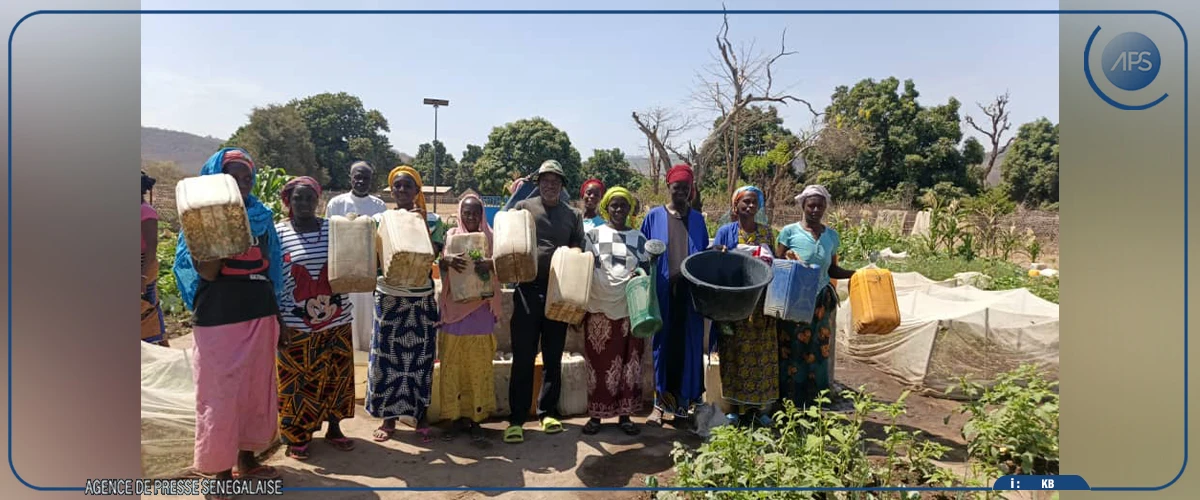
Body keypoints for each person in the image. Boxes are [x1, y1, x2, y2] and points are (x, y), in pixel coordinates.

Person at [173, 148, 284, 490]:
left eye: (248, 177)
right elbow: (206, 274)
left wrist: (281, 320)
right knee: (219, 396)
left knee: (255, 392)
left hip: (260, 315)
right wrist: (220, 226)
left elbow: (273, 272)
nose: (243, 183)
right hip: (220, 320)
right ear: (216, 182)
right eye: (234, 177)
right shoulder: (200, 217)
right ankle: (219, 473)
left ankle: (247, 460)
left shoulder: (263, 217)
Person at [504, 159, 586, 444]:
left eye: (556, 182)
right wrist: (520, 190)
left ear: (562, 186)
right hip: (527, 290)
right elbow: (504, 226)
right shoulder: (524, 208)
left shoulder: (572, 215)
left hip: (559, 295)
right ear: (537, 184)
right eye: (545, 181)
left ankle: (547, 412)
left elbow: (579, 247)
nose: (550, 186)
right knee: (523, 357)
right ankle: (516, 418)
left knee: (553, 357)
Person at [274, 176, 356, 460]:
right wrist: (279, 322)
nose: (304, 203)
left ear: (318, 200)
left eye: (310, 198)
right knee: (297, 382)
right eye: (298, 198)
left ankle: (334, 429)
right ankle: (298, 435)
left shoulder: (334, 229)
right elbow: (273, 281)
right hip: (296, 324)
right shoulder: (278, 233)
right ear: (288, 201)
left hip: (337, 319)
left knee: (336, 377)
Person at [366, 166, 446, 444]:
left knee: (420, 360)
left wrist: (416, 224)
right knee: (387, 358)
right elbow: (374, 258)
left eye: (407, 186)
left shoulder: (433, 221)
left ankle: (419, 416)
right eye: (397, 186)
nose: (401, 191)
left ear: (417, 191)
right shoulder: (379, 220)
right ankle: (389, 420)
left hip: (421, 298)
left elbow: (433, 256)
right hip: (388, 296)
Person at [639, 164, 709, 429]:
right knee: (662, 346)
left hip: (689, 296)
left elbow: (702, 255)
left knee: (688, 348)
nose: (681, 192)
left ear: (691, 190)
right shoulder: (654, 216)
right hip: (662, 293)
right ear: (669, 187)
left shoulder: (698, 219)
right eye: (676, 187)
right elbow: (643, 253)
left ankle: (682, 405)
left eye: (686, 188)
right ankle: (659, 406)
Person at [775, 185, 856, 407]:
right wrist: (791, 261)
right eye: (811, 205)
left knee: (819, 349)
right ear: (803, 206)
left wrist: (857, 274)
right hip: (794, 300)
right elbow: (778, 264)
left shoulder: (831, 236)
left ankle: (815, 400)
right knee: (792, 347)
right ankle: (789, 400)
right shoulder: (789, 232)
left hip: (822, 300)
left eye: (820, 206)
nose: (815, 210)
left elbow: (832, 270)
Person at [581, 186, 648, 436]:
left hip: (630, 310)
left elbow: (645, 273)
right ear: (606, 208)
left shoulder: (639, 238)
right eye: (614, 205)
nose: (619, 210)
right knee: (598, 366)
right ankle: (596, 417)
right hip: (598, 307)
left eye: (623, 205)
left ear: (630, 209)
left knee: (629, 365)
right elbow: (586, 269)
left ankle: (625, 416)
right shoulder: (594, 236)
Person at [436, 194, 501, 447]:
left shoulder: (492, 238)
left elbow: (506, 267)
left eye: (475, 213)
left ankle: (476, 419)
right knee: (453, 366)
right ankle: (453, 418)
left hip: (481, 312)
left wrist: (492, 264)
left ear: (482, 214)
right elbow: (441, 266)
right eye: (466, 213)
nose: (471, 218)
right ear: (460, 214)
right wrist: (446, 260)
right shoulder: (451, 236)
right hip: (454, 312)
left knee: (478, 367)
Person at [710, 186, 778, 427]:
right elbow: (715, 267)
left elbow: (776, 266)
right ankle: (735, 409)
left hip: (761, 308)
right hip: (735, 308)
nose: (750, 206)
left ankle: (759, 410)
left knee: (762, 357)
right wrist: (720, 253)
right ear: (735, 206)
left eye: (754, 202)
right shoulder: (726, 232)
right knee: (734, 357)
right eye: (745, 202)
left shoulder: (768, 233)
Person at [324, 161, 389, 353]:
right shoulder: (336, 204)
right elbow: (329, 238)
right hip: (342, 273)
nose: (361, 181)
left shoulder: (379, 206)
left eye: (365, 178)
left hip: (368, 274)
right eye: (357, 177)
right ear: (350, 178)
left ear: (371, 180)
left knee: (368, 320)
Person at [141, 171, 168, 347]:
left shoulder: (146, 212)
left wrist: (142, 276)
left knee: (146, 311)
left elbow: (151, 247)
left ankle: (161, 354)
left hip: (143, 266)